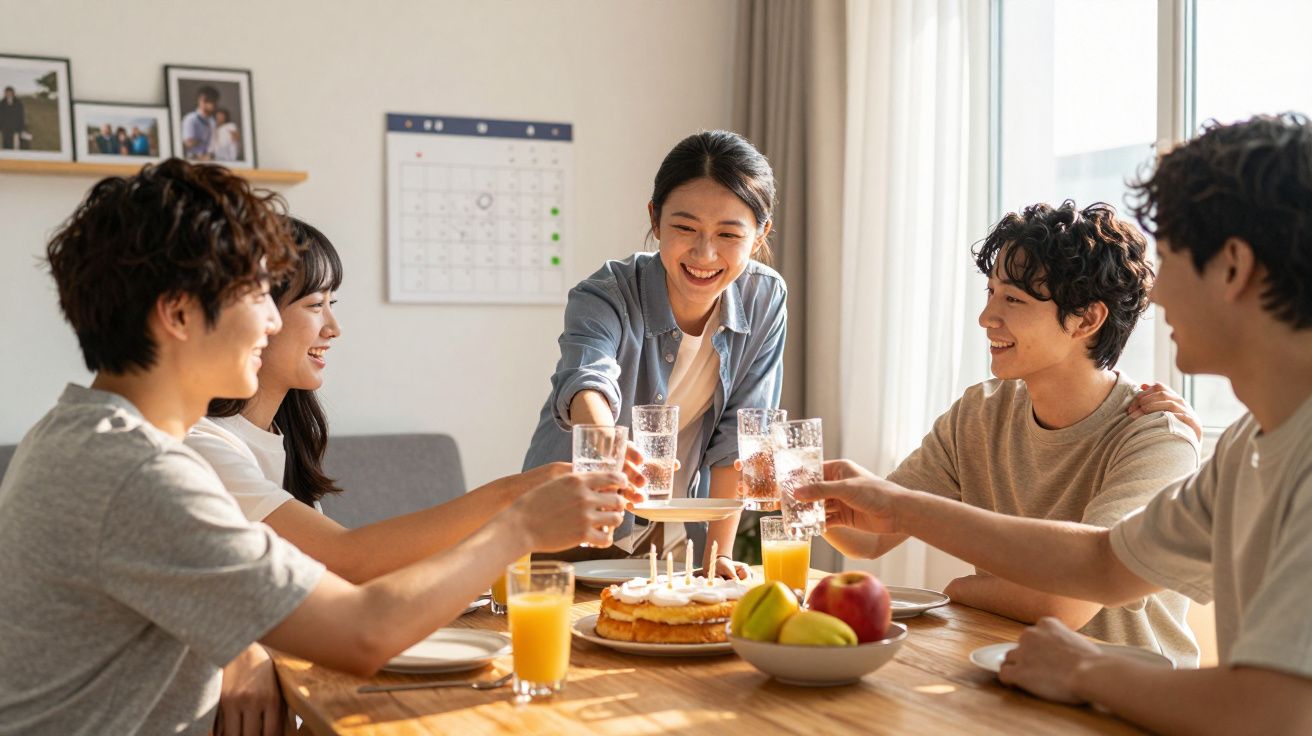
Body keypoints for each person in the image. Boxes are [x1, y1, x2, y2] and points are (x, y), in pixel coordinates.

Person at [0, 159, 631, 734]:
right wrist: (517, 524)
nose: (274, 320)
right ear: (179, 314)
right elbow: (363, 630)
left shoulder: (79, 434)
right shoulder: (137, 474)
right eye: (256, 296)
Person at [797, 114, 1312, 734]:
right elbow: (1101, 564)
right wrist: (898, 506)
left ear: (1231, 267)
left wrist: (1082, 671)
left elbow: (1277, 711)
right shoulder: (1245, 452)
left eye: (1172, 259)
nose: (1160, 296)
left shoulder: (1194, 440)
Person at [185, 218, 643, 730]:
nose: (333, 328)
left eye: (333, 305)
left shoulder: (274, 442)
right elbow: (346, 561)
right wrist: (516, 505)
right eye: (315, 306)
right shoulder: (206, 447)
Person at [826, 200, 1203, 665]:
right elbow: (870, 536)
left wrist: (961, 589)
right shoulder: (980, 413)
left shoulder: (1155, 439)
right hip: (1019, 671)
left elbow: (1067, 602)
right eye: (990, 293)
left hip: (1130, 701)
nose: (987, 318)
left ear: (1087, 319)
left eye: (1014, 300)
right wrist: (815, 495)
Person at [523, 130, 788, 579]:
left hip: (669, 539)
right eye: (685, 228)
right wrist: (607, 444)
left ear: (760, 233)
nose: (704, 254)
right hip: (568, 524)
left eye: (728, 233)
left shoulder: (765, 299)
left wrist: (719, 556)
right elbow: (587, 376)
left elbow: (740, 437)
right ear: (655, 217)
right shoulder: (605, 293)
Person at [181, 85, 219, 160]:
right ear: (201, 101)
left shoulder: (212, 121)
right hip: (193, 160)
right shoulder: (191, 119)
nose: (213, 104)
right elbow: (189, 143)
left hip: (210, 159)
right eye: (209, 100)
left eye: (214, 101)